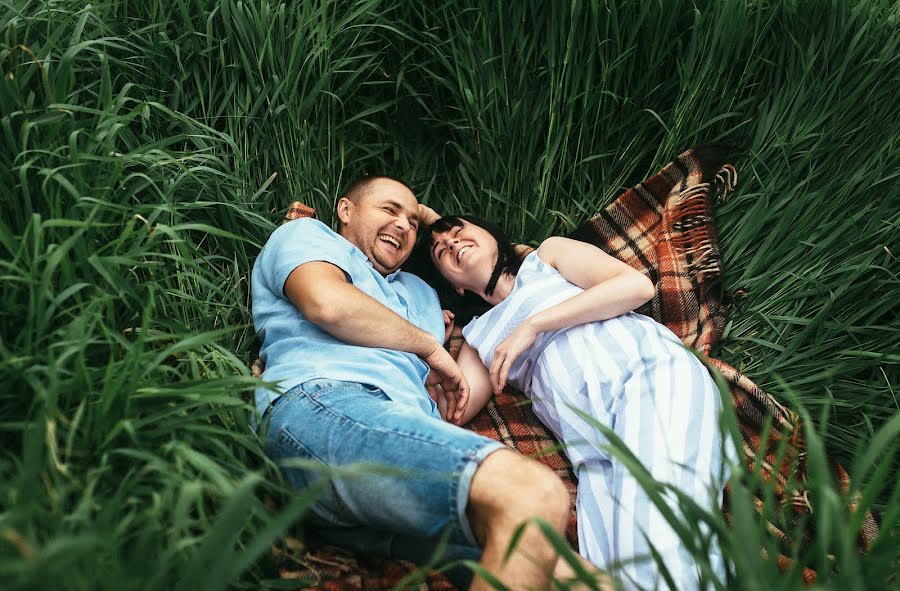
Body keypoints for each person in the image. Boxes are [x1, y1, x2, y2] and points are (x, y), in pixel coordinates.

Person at [251, 176, 597, 590]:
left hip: (391, 461)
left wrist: (430, 223)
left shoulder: (421, 293)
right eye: (388, 210)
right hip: (325, 406)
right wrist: (430, 348)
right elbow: (326, 303)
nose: (403, 225)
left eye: (413, 223)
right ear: (345, 211)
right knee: (532, 490)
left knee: (571, 575)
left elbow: (502, 270)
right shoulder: (309, 236)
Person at [420, 214, 729, 590]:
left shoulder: (546, 259)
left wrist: (534, 325)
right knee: (615, 574)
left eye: (459, 232)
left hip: (647, 378)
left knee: (660, 546)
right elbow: (448, 410)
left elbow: (634, 286)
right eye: (440, 251)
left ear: (492, 235)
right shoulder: (477, 337)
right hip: (593, 452)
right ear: (453, 287)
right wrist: (430, 343)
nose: (452, 244)